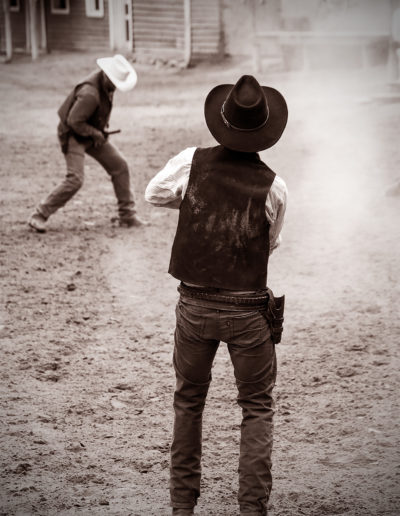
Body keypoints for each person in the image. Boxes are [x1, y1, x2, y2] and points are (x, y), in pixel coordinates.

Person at [145, 75, 288, 515]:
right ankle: (251, 510)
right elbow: (269, 244)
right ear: (265, 129)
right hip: (248, 311)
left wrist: (190, 204)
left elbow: (153, 194)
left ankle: (182, 507)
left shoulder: (191, 162)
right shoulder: (275, 186)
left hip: (195, 306)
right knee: (257, 408)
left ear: (221, 121)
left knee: (188, 402)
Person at [28, 54, 146, 232]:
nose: (115, 87)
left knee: (120, 166)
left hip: (90, 134)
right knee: (75, 179)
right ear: (106, 75)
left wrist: (98, 131)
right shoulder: (90, 94)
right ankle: (39, 214)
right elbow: (74, 121)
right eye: (114, 82)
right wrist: (95, 133)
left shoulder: (105, 86)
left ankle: (127, 215)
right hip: (73, 135)